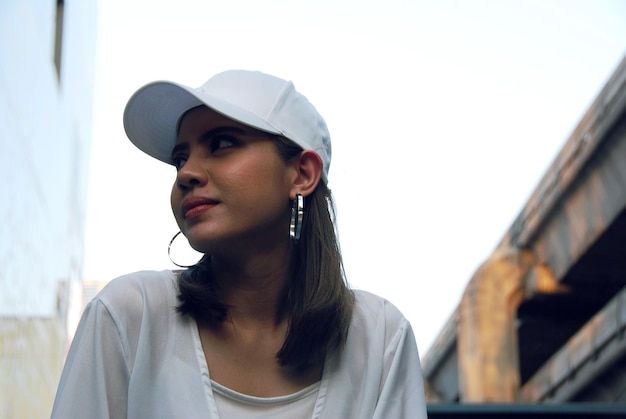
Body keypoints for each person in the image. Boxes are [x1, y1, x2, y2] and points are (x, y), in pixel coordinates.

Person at [51, 70, 427, 418]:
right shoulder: (129, 315)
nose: (187, 173)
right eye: (180, 158)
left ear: (302, 173)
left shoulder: (381, 339)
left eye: (221, 144)